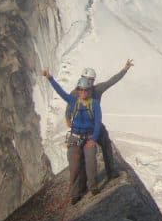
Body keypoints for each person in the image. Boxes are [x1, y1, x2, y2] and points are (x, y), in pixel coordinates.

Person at [43, 59, 133, 204]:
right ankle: (87, 185)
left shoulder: (94, 94)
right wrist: (50, 78)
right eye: (86, 81)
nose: (86, 87)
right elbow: (67, 101)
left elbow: (111, 81)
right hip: (79, 131)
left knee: (101, 145)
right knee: (81, 160)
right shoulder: (79, 93)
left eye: (89, 81)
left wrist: (124, 69)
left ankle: (106, 175)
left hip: (92, 129)